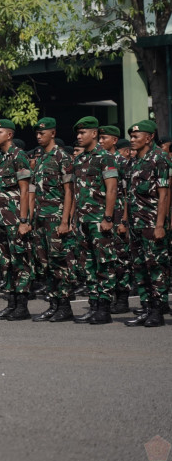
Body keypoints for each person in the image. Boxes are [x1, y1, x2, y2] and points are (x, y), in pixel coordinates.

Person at [72, 116, 119, 324]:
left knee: (104, 263)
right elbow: (75, 191)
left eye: (83, 132)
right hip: (83, 220)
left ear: (94, 134)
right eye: (78, 133)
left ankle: (105, 307)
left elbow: (112, 188)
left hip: (100, 219)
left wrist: (108, 217)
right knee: (88, 264)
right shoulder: (80, 159)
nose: (79, 136)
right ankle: (93, 304)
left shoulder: (105, 158)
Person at [29, 117, 75, 322]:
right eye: (37, 134)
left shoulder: (62, 158)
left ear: (53, 134)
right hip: (40, 218)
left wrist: (65, 221)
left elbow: (69, 192)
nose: (39, 137)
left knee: (59, 262)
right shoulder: (39, 159)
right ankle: (53, 304)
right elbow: (34, 190)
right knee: (45, 263)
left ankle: (64, 306)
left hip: (56, 218)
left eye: (42, 133)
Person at [124, 120, 169, 327]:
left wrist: (160, 225)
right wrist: (125, 221)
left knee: (155, 267)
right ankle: (146, 307)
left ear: (149, 138)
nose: (132, 140)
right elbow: (128, 195)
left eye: (136, 137)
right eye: (131, 137)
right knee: (139, 267)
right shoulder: (134, 161)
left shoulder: (159, 159)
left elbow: (164, 195)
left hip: (151, 223)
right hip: (135, 223)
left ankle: (158, 310)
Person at [0, 119, 34, 321]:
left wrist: (24, 220)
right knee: (4, 262)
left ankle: (22, 306)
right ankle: (11, 303)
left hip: (15, 219)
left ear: (10, 135)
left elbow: (25, 190)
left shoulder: (19, 156)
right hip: (0, 219)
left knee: (19, 261)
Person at [99, 125, 132, 313]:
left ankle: (122, 299)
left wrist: (124, 220)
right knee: (108, 258)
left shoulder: (122, 162)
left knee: (121, 259)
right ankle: (109, 296)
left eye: (105, 138)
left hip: (119, 215)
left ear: (114, 141)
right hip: (106, 215)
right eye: (100, 138)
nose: (101, 141)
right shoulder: (103, 160)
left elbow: (128, 193)